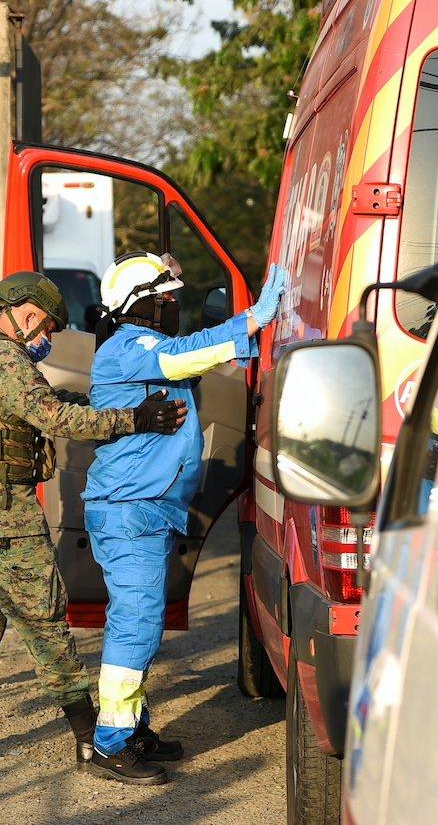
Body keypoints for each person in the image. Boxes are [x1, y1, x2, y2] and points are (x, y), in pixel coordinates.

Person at [0, 272, 189, 769]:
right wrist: (136, 419)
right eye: (47, 331)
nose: (46, 341)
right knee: (43, 618)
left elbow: (51, 406)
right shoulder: (3, 356)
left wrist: (104, 404)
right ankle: (93, 738)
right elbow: (56, 420)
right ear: (30, 314)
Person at [80, 253, 288, 786]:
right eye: (166, 297)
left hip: (145, 510)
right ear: (141, 305)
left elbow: (188, 360)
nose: (175, 305)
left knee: (141, 625)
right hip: (131, 513)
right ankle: (111, 743)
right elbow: (185, 354)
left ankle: (133, 728)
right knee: (135, 627)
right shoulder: (130, 350)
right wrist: (252, 320)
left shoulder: (139, 350)